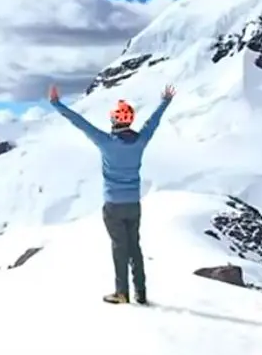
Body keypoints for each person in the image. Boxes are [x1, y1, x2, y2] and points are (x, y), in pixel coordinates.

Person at [48, 83, 175, 305]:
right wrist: (165, 101)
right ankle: (141, 292)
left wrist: (57, 104)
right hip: (134, 204)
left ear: (114, 120)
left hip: (113, 205)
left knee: (119, 248)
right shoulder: (140, 141)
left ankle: (121, 292)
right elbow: (152, 122)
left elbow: (80, 122)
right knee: (134, 247)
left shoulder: (105, 142)